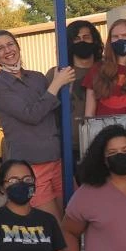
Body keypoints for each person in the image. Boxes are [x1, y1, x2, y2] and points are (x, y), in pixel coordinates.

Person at [0, 29, 75, 219]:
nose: (7, 50)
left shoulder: (37, 77)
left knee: (72, 219)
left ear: (18, 46)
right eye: (0, 48)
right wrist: (56, 84)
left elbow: (52, 111)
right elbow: (31, 115)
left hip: (57, 160)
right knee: (52, 225)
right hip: (31, 166)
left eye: (10, 44)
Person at [48, 19, 104, 162]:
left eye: (86, 37)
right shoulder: (56, 73)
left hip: (102, 144)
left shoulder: (106, 71)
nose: (82, 42)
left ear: (95, 41)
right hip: (67, 149)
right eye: (76, 39)